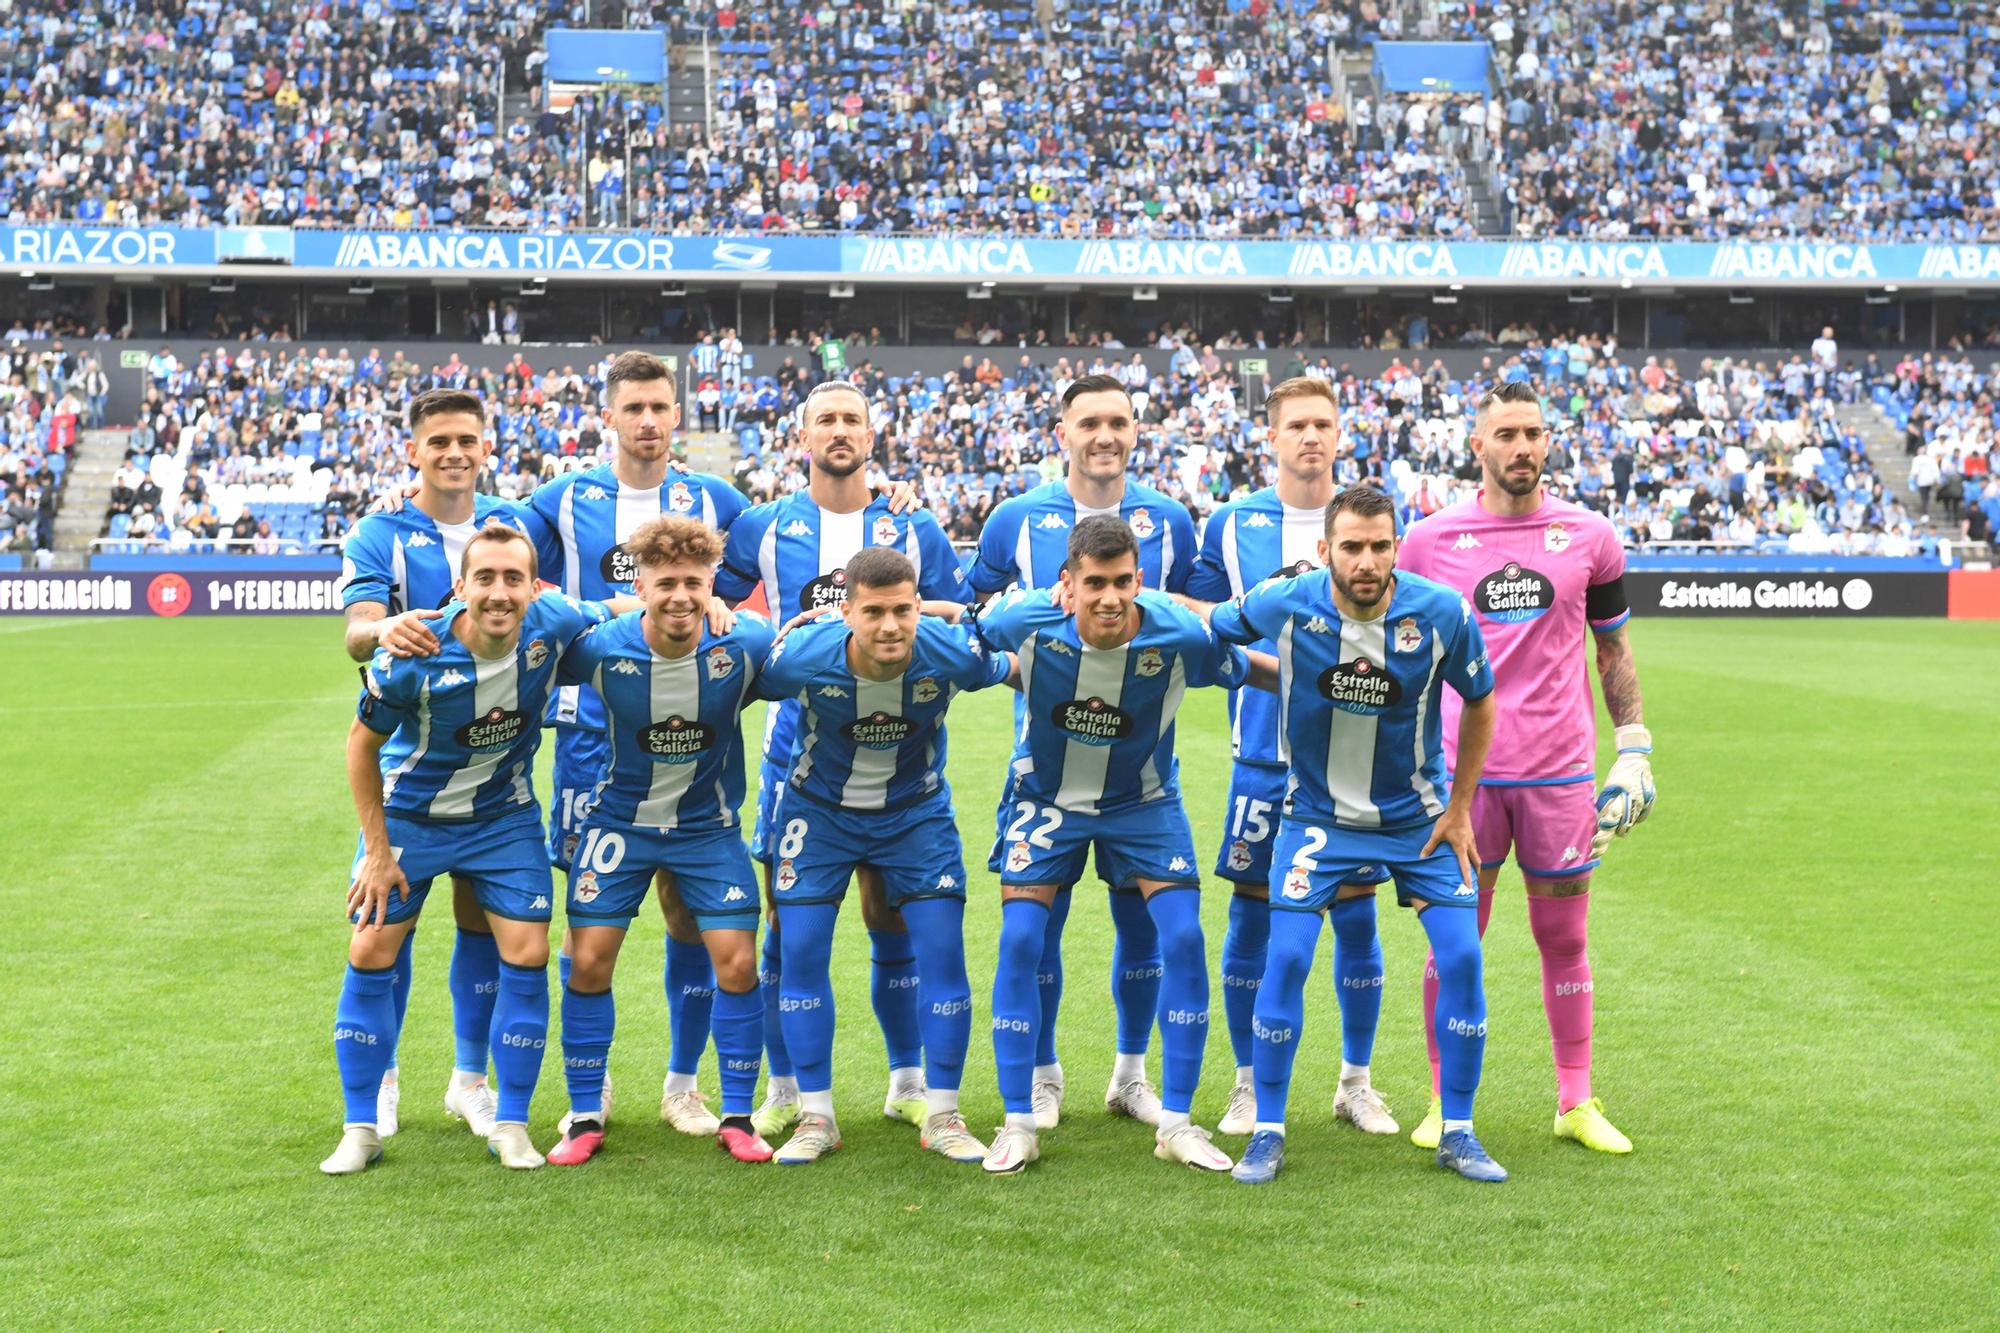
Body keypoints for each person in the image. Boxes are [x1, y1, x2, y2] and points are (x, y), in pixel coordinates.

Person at [1208, 486, 1506, 1184]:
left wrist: (1460, 806)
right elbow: (1216, 628)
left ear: (1396, 546)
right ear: (1325, 550)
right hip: (1316, 819)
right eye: (1351, 546)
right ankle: (1270, 1128)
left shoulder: (1440, 612)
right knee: (1286, 960)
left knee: (1462, 959)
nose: (1366, 560)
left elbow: (1483, 697)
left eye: (1379, 544)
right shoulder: (1286, 601)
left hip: (1417, 822)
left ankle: (1458, 1128)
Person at [1397, 379, 1654, 1155]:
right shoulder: (1428, 541)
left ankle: (1575, 1100)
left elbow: (1610, 644)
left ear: (1549, 441)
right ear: (1477, 446)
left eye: (1533, 433)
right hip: (1460, 780)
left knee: (1564, 937)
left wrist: (1635, 742)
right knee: (1455, 942)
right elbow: (1405, 659)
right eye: (1505, 433)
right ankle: (1446, 1102)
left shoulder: (1590, 535)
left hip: (1560, 774)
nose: (1521, 447)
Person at [972, 516, 1274, 1175]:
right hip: (1045, 799)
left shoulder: (1176, 629)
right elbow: (967, 633)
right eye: (1094, 583)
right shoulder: (1025, 618)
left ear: (1139, 580)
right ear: (1067, 584)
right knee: (1022, 940)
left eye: (1122, 582)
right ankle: (1018, 1122)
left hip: (1143, 804)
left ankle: (1177, 1122)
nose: (1109, 597)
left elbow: (1242, 665)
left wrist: (1328, 682)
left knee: (1184, 937)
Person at [322, 525, 622, 1174]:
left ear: (534, 588)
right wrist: (377, 851)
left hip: (502, 819)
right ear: (460, 586)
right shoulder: (414, 651)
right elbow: (360, 745)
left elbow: (624, 607)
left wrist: (699, 604)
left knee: (530, 949)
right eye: (484, 577)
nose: (498, 592)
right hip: (411, 816)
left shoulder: (554, 622)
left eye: (513, 578)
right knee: (371, 945)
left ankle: (511, 1121)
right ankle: (361, 1125)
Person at [716, 381, 966, 1141]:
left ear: (872, 431)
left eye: (852, 418)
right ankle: (788, 1088)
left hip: (900, 755)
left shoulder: (914, 525)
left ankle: (908, 1082)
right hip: (795, 756)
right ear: (802, 437)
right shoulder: (762, 525)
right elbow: (713, 605)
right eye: (825, 419)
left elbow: (961, 613)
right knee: (786, 928)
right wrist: (780, 627)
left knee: (890, 917)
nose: (839, 430)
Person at [967, 372, 1199, 1131]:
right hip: (1047, 762)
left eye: (1119, 422)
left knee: (1143, 928)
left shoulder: (1169, 519)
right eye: (1089, 421)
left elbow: (1190, 615)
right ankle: (1040, 1073)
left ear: (1136, 431)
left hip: (1140, 764)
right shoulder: (1014, 518)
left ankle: (1131, 1075)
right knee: (1040, 926)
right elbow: (979, 611)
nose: (1105, 435)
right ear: (1060, 433)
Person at [1181, 377, 1397, 1138]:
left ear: (1341, 435)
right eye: (1297, 425)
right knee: (1250, 917)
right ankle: (1245, 1084)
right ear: (1270, 437)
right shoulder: (1232, 526)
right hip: (1262, 758)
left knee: (1358, 920)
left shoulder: (1369, 520)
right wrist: (1287, 664)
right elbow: (1206, 619)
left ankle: (1356, 1082)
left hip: (1354, 758)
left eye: (1324, 424)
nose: (1311, 436)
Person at [751, 547, 1011, 1165]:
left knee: (944, 954)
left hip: (915, 817)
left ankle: (943, 1113)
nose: (890, 626)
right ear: (846, 612)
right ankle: (816, 1116)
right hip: (818, 815)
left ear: (919, 606)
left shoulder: (949, 650)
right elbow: (740, 676)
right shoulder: (804, 657)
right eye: (874, 612)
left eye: (902, 610)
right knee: (800, 951)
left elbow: (1014, 652)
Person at [543, 516, 781, 1166]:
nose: (680, 595)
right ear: (641, 585)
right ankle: (586, 1112)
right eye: (666, 582)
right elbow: (534, 640)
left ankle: (735, 1114)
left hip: (707, 826)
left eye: (694, 583)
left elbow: (812, 663)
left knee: (737, 962)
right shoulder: (600, 648)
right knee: (588, 961)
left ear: (712, 587)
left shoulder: (745, 645)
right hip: (619, 821)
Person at [334, 388, 531, 1142]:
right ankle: (380, 1081)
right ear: (412, 449)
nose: (455, 452)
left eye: (468, 440)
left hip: (493, 760)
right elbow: (356, 634)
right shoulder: (381, 531)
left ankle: (468, 1081)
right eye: (439, 440)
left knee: (482, 918)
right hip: (407, 761)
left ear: (487, 449)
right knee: (389, 923)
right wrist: (386, 626)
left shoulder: (511, 521)